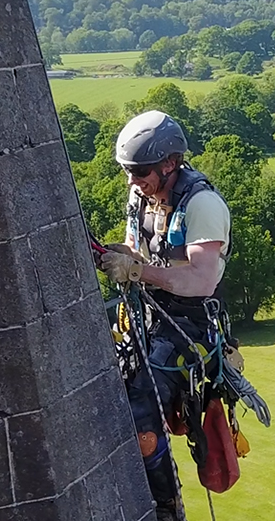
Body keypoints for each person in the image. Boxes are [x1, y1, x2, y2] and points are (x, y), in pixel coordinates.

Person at [97, 110, 232, 521]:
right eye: (128, 173)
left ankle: (165, 506)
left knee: (141, 419)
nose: (132, 182)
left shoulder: (202, 204)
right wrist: (122, 255)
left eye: (139, 172)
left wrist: (138, 271)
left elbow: (201, 279)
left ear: (170, 163)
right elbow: (142, 250)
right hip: (148, 318)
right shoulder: (141, 197)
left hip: (189, 329)